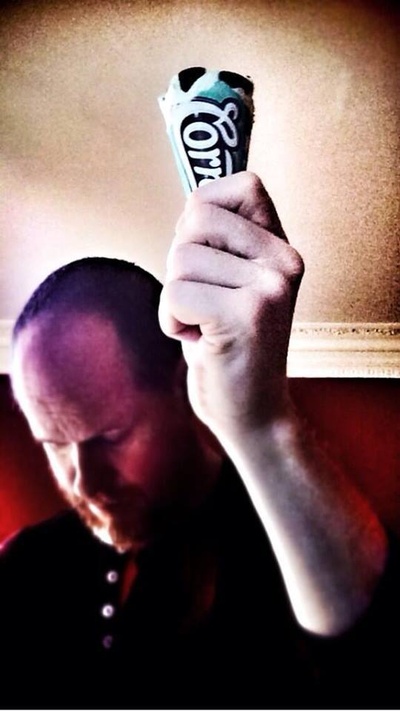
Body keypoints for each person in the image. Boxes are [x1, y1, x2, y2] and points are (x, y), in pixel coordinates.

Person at [1, 172, 388, 709]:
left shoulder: (281, 538)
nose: (85, 482)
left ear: (178, 385)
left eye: (111, 436)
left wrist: (263, 423)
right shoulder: (28, 563)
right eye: (55, 443)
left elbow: (372, 667)